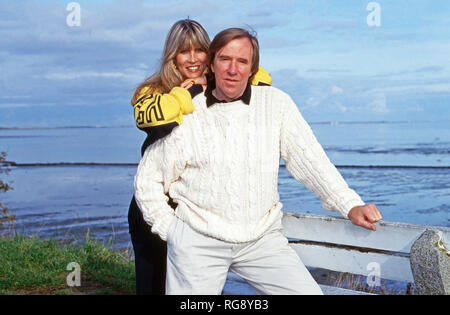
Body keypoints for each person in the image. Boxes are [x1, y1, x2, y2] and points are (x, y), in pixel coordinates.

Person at [134, 27, 382, 295]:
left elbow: (311, 160)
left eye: (242, 61)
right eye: (225, 60)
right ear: (213, 64)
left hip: (262, 240)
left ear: (252, 68)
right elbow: (148, 180)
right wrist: (173, 232)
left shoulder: (276, 103)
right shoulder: (186, 110)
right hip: (197, 241)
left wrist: (350, 204)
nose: (233, 69)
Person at [128, 20, 272, 295]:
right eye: (184, 51)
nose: (193, 59)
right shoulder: (150, 91)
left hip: (199, 207)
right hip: (155, 204)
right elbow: (159, 121)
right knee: (154, 286)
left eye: (200, 50)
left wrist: (216, 72)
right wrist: (189, 91)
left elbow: (261, 78)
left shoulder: (218, 84)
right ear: (173, 55)